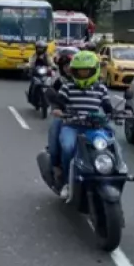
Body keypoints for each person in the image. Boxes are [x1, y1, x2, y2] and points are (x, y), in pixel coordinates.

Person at [48, 50, 115, 199]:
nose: (83, 74)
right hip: (72, 126)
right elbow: (59, 103)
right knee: (67, 147)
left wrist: (116, 113)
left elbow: (107, 106)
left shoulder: (101, 88)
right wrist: (58, 110)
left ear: (94, 70)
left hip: (94, 127)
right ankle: (66, 181)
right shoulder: (68, 87)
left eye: (86, 71)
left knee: (109, 144)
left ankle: (115, 171)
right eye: (79, 71)